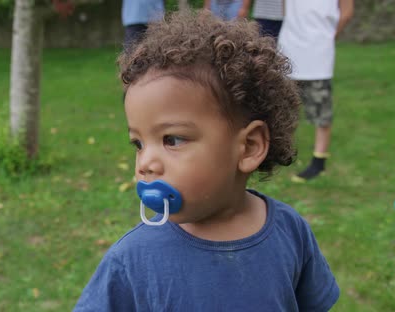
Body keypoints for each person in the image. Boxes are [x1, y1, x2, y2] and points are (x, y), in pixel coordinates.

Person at [75, 11, 339, 311]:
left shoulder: (290, 232)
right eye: (138, 143)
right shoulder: (133, 258)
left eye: (172, 140)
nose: (146, 162)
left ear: (249, 146)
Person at [278, 0, 354, 182]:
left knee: (321, 112)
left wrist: (328, 35)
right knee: (283, 108)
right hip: (289, 46)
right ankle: (281, 153)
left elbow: (347, 12)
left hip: (318, 53)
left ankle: (318, 162)